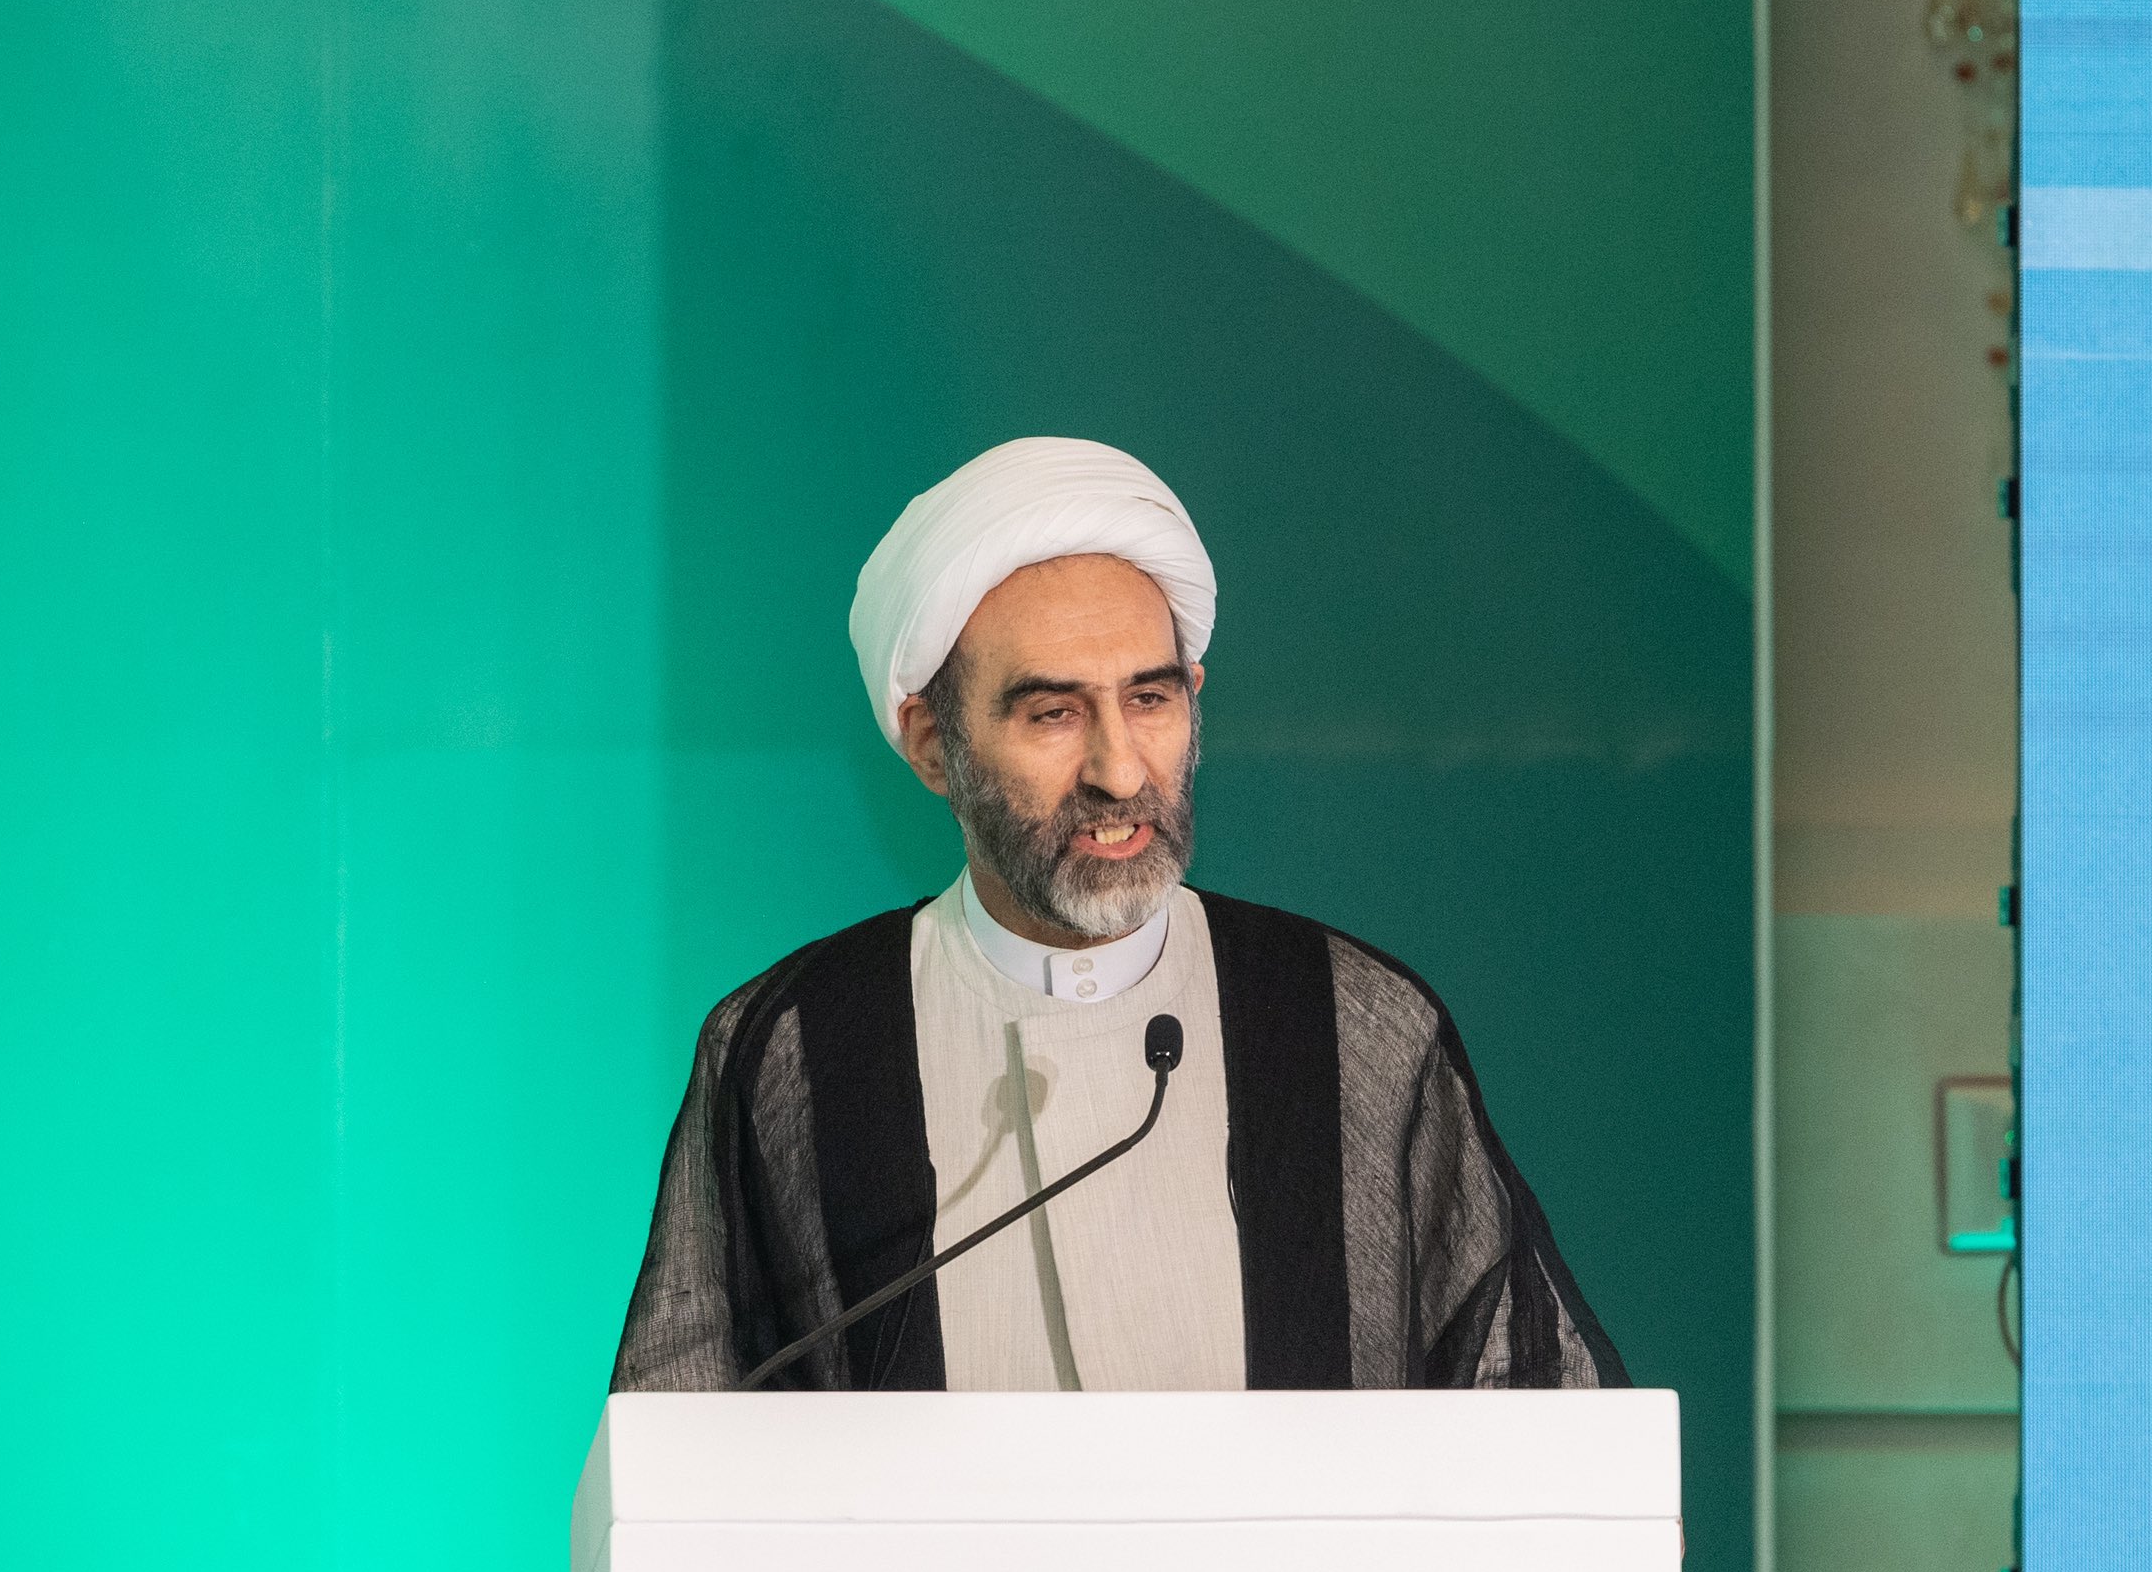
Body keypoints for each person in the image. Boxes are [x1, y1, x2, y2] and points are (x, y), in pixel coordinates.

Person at [612, 436, 1623, 1392]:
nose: (1120, 771)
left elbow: (1535, 1406)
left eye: (1150, 700)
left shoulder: (1351, 1021)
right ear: (930, 745)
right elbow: (684, 1429)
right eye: (1053, 713)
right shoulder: (797, 1041)